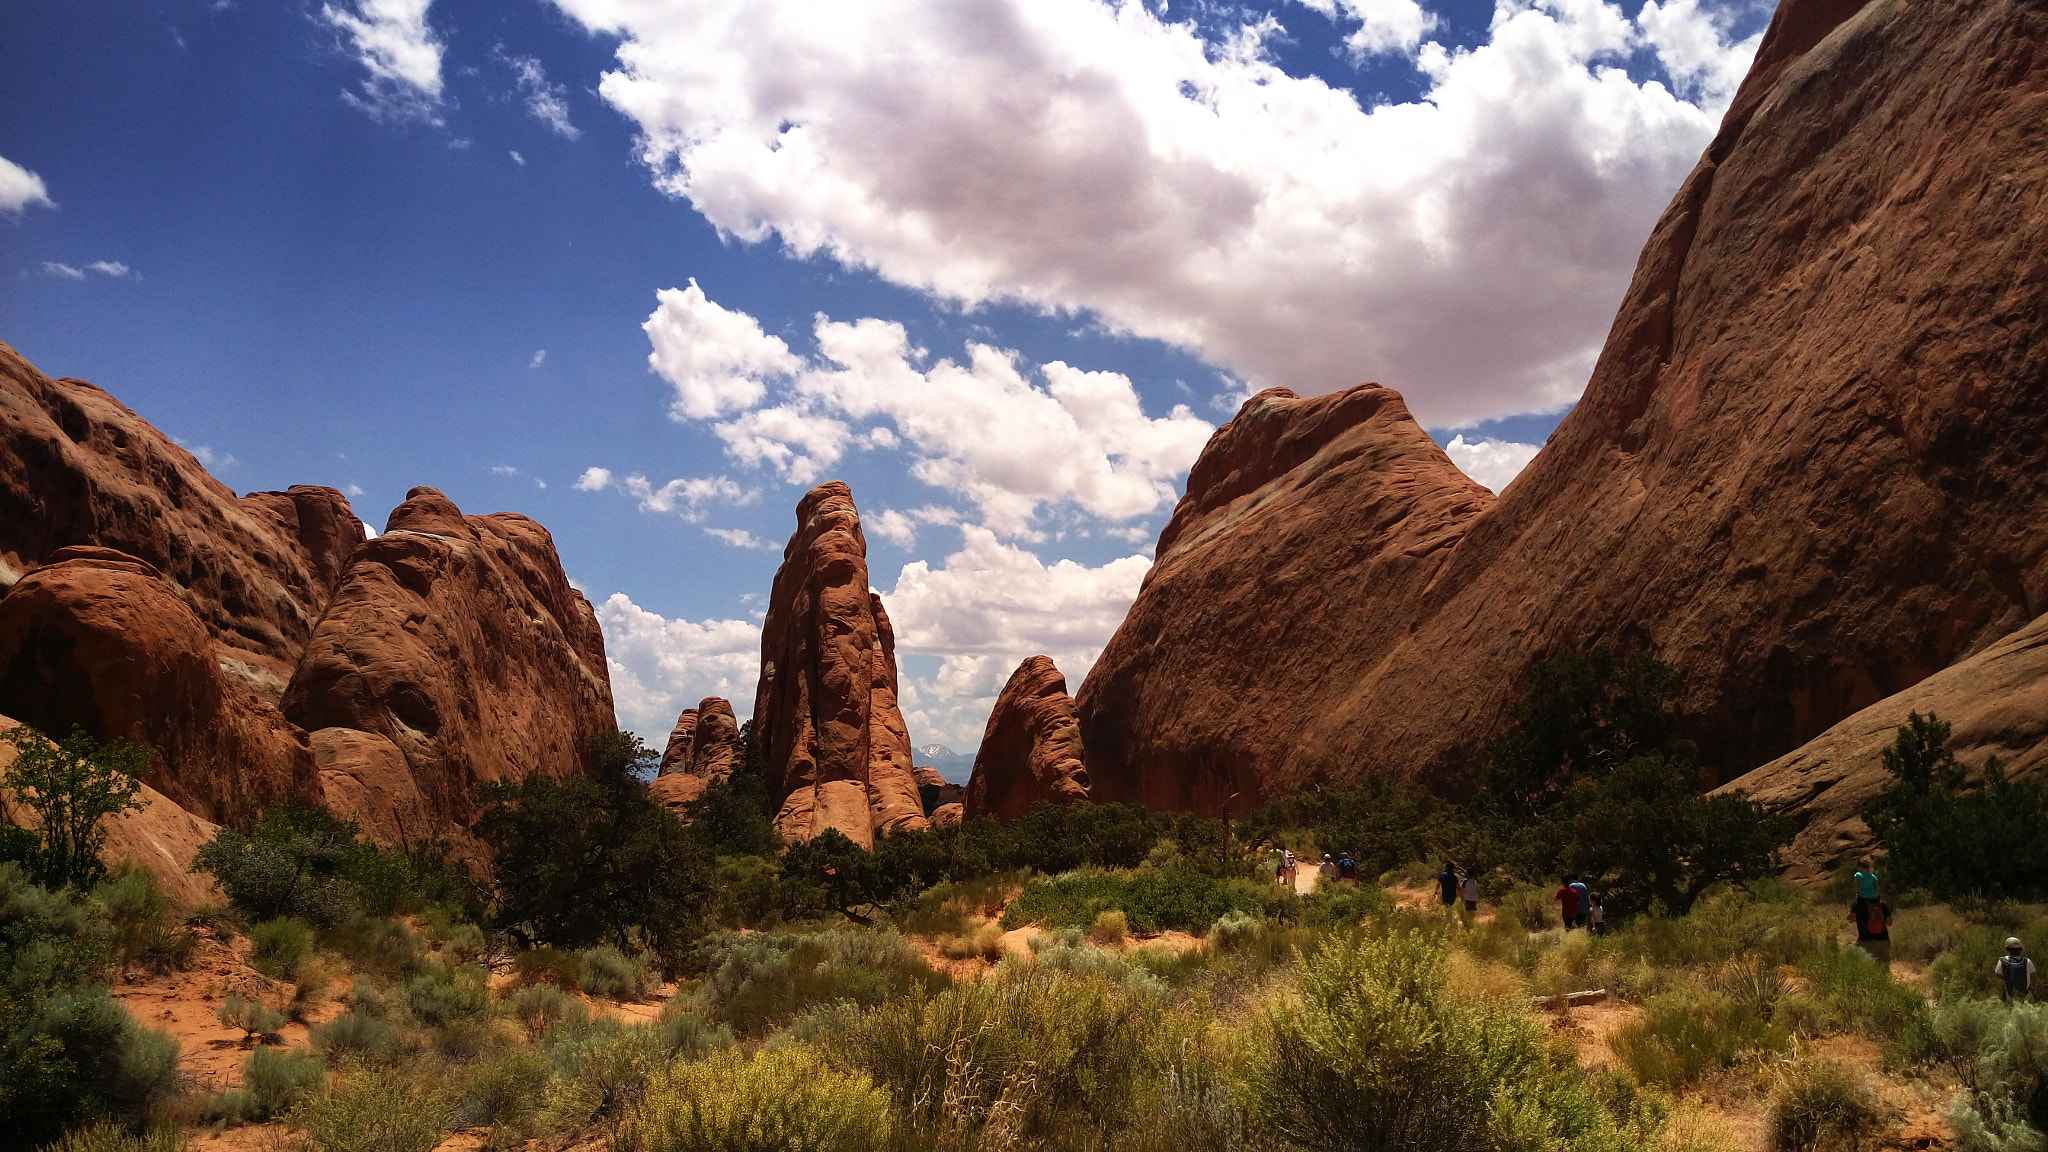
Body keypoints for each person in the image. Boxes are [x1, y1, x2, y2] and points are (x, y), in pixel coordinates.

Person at [1850, 893, 1893, 965]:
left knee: (1867, 969)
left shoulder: (1857, 904)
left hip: (1866, 941)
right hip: (1883, 940)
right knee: (1884, 967)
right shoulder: (1882, 905)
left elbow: (1850, 919)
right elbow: (1889, 923)